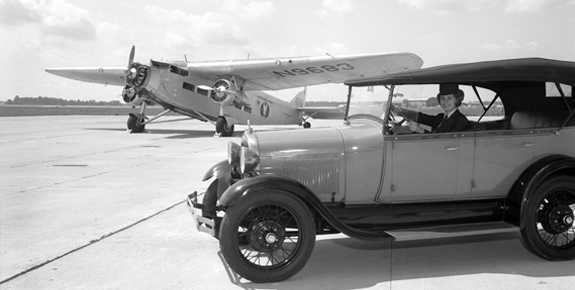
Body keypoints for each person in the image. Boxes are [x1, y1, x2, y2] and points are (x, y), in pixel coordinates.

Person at [390, 83, 471, 133]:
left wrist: (420, 130)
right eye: (442, 98)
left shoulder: (461, 121)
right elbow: (422, 117)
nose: (445, 102)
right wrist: (398, 111)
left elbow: (443, 142)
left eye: (449, 98)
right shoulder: (440, 117)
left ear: (457, 100)